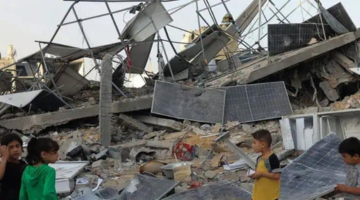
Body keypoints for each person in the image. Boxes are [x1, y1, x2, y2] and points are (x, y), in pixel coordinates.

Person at [249, 129, 281, 200]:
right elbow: (259, 174)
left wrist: (262, 174)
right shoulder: (259, 159)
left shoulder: (272, 158)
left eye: (254, 143)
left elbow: (277, 175)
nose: (252, 145)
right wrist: (255, 175)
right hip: (257, 196)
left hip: (270, 197)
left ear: (263, 144)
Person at [0, 134, 27, 200]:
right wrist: (4, 157)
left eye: (17, 146)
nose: (15, 150)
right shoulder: (3, 165)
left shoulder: (23, 163)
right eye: (11, 147)